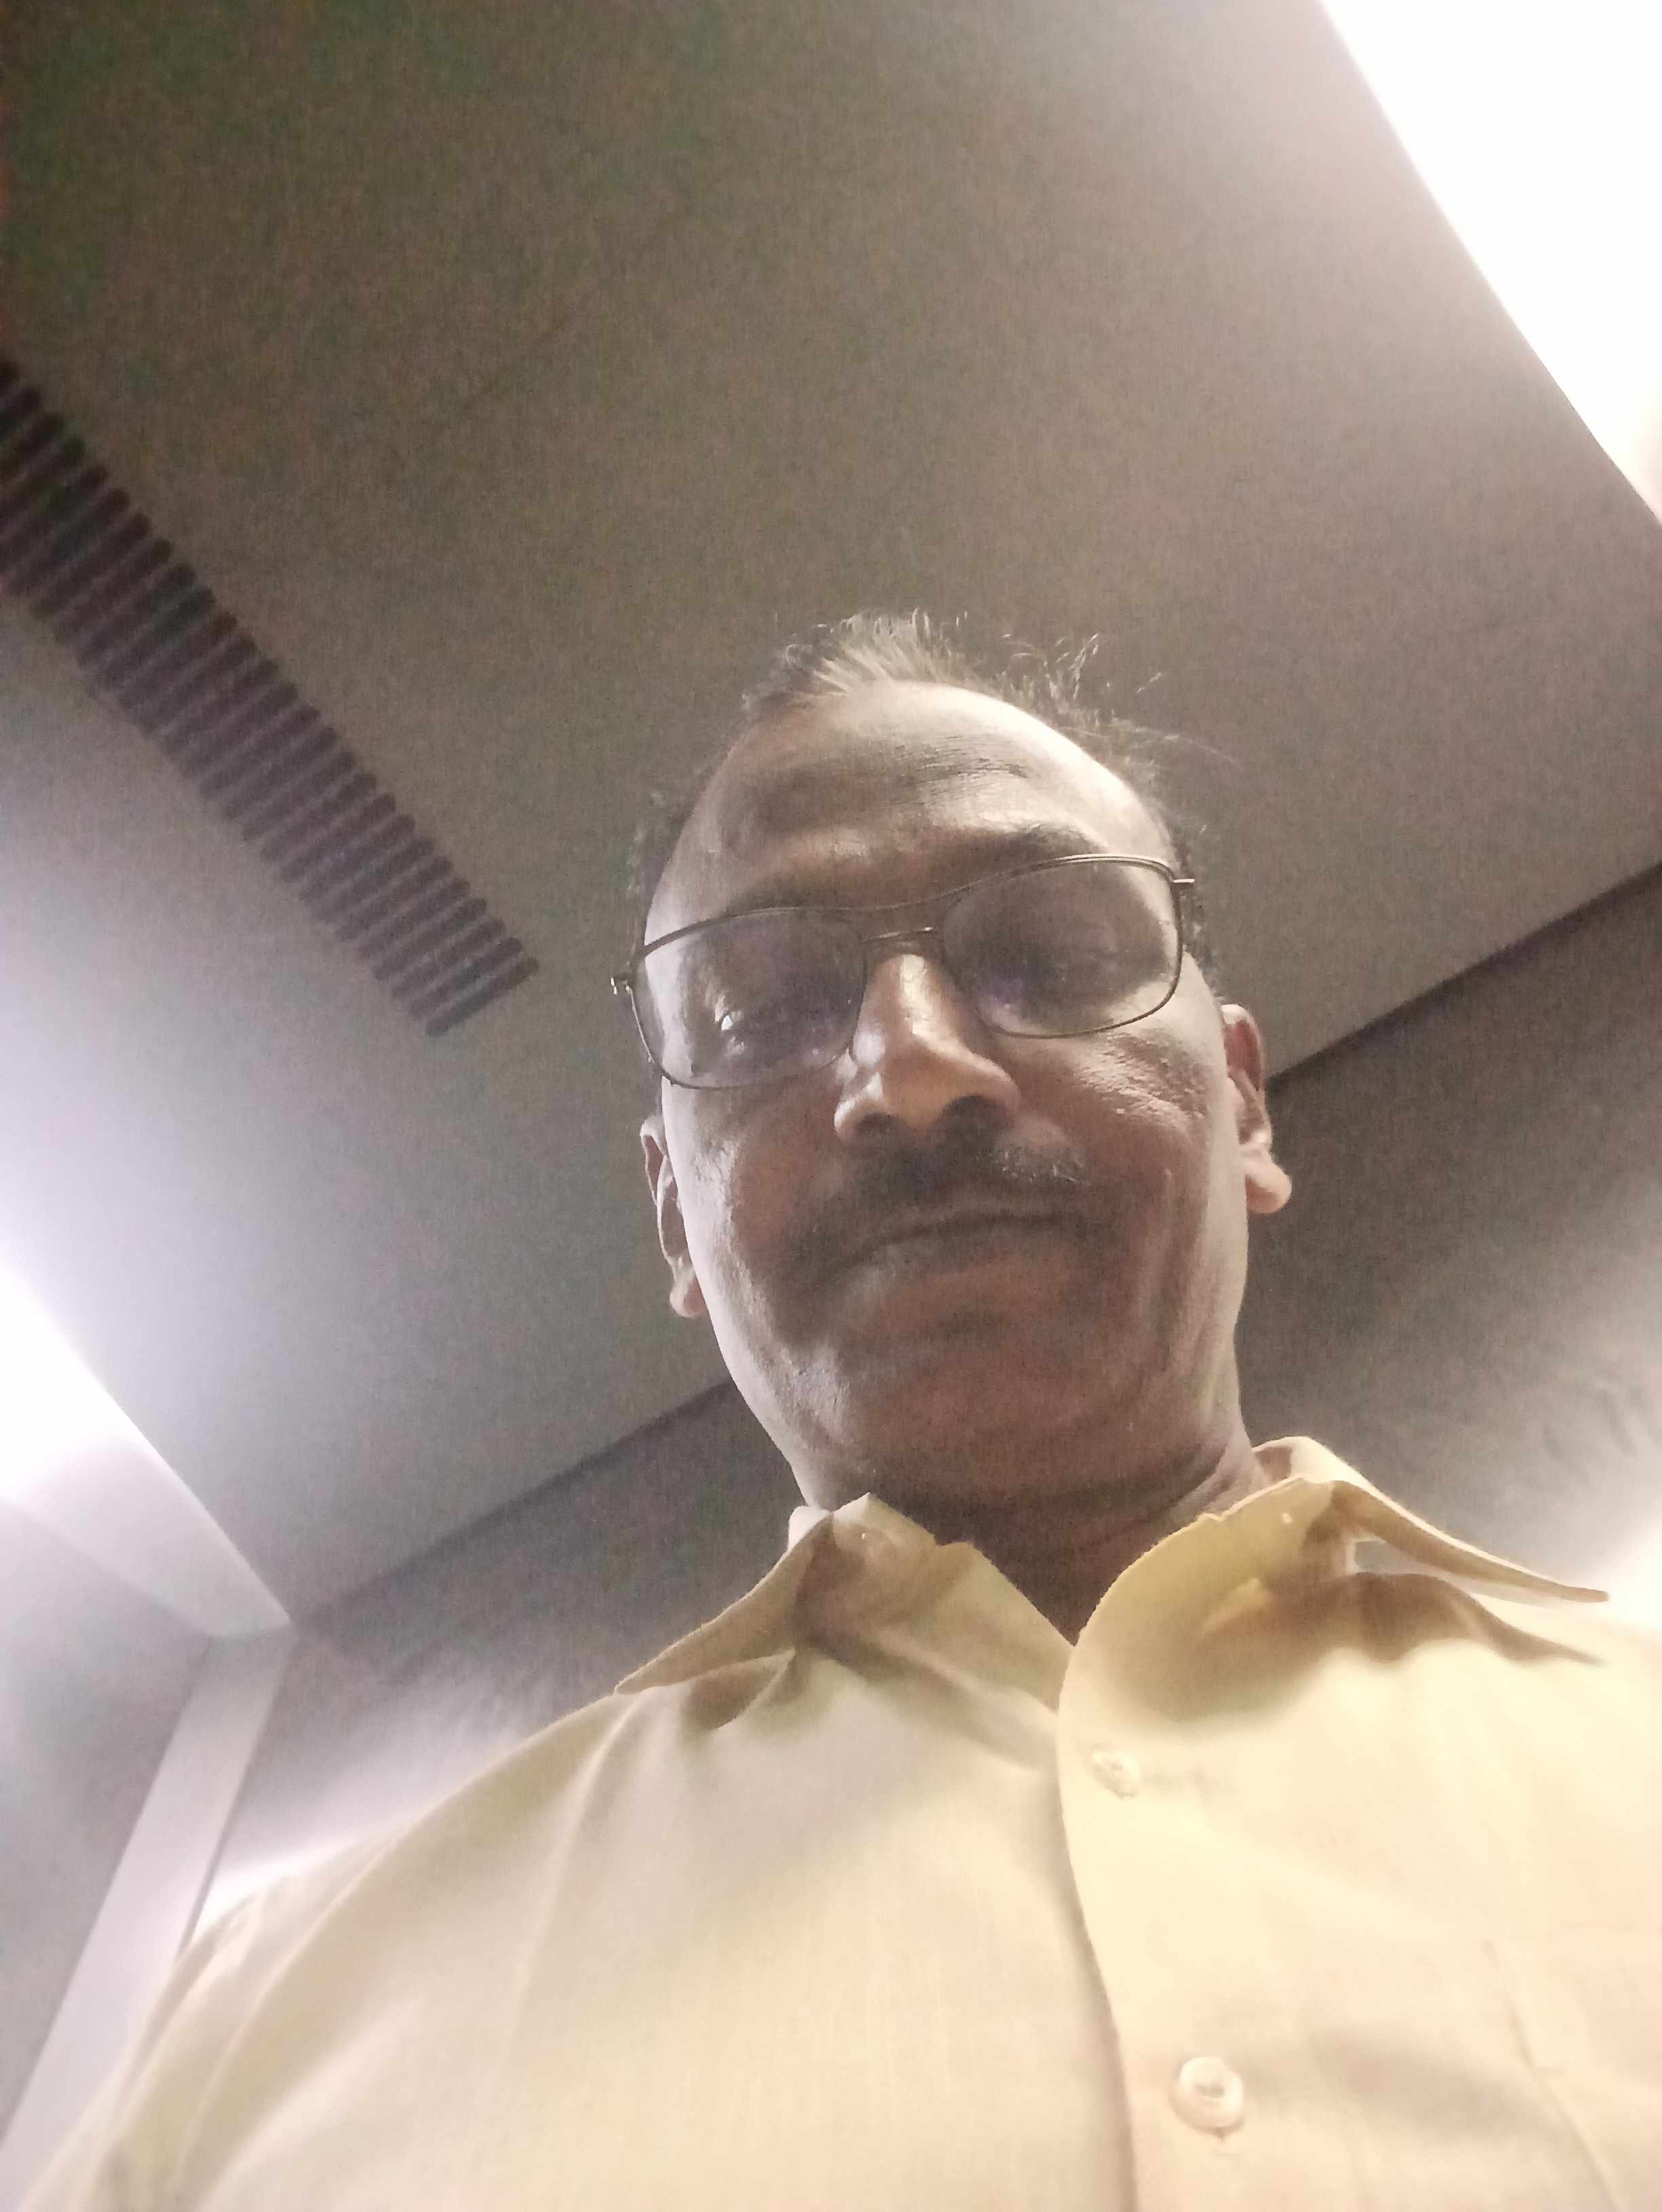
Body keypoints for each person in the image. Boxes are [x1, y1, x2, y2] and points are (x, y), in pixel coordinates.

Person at [29, 613, 1661, 2209]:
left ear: (1240, 1099)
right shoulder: (260, 2037)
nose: (911, 1067)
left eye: (1045, 959)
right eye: (764, 1014)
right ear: (677, 1222)